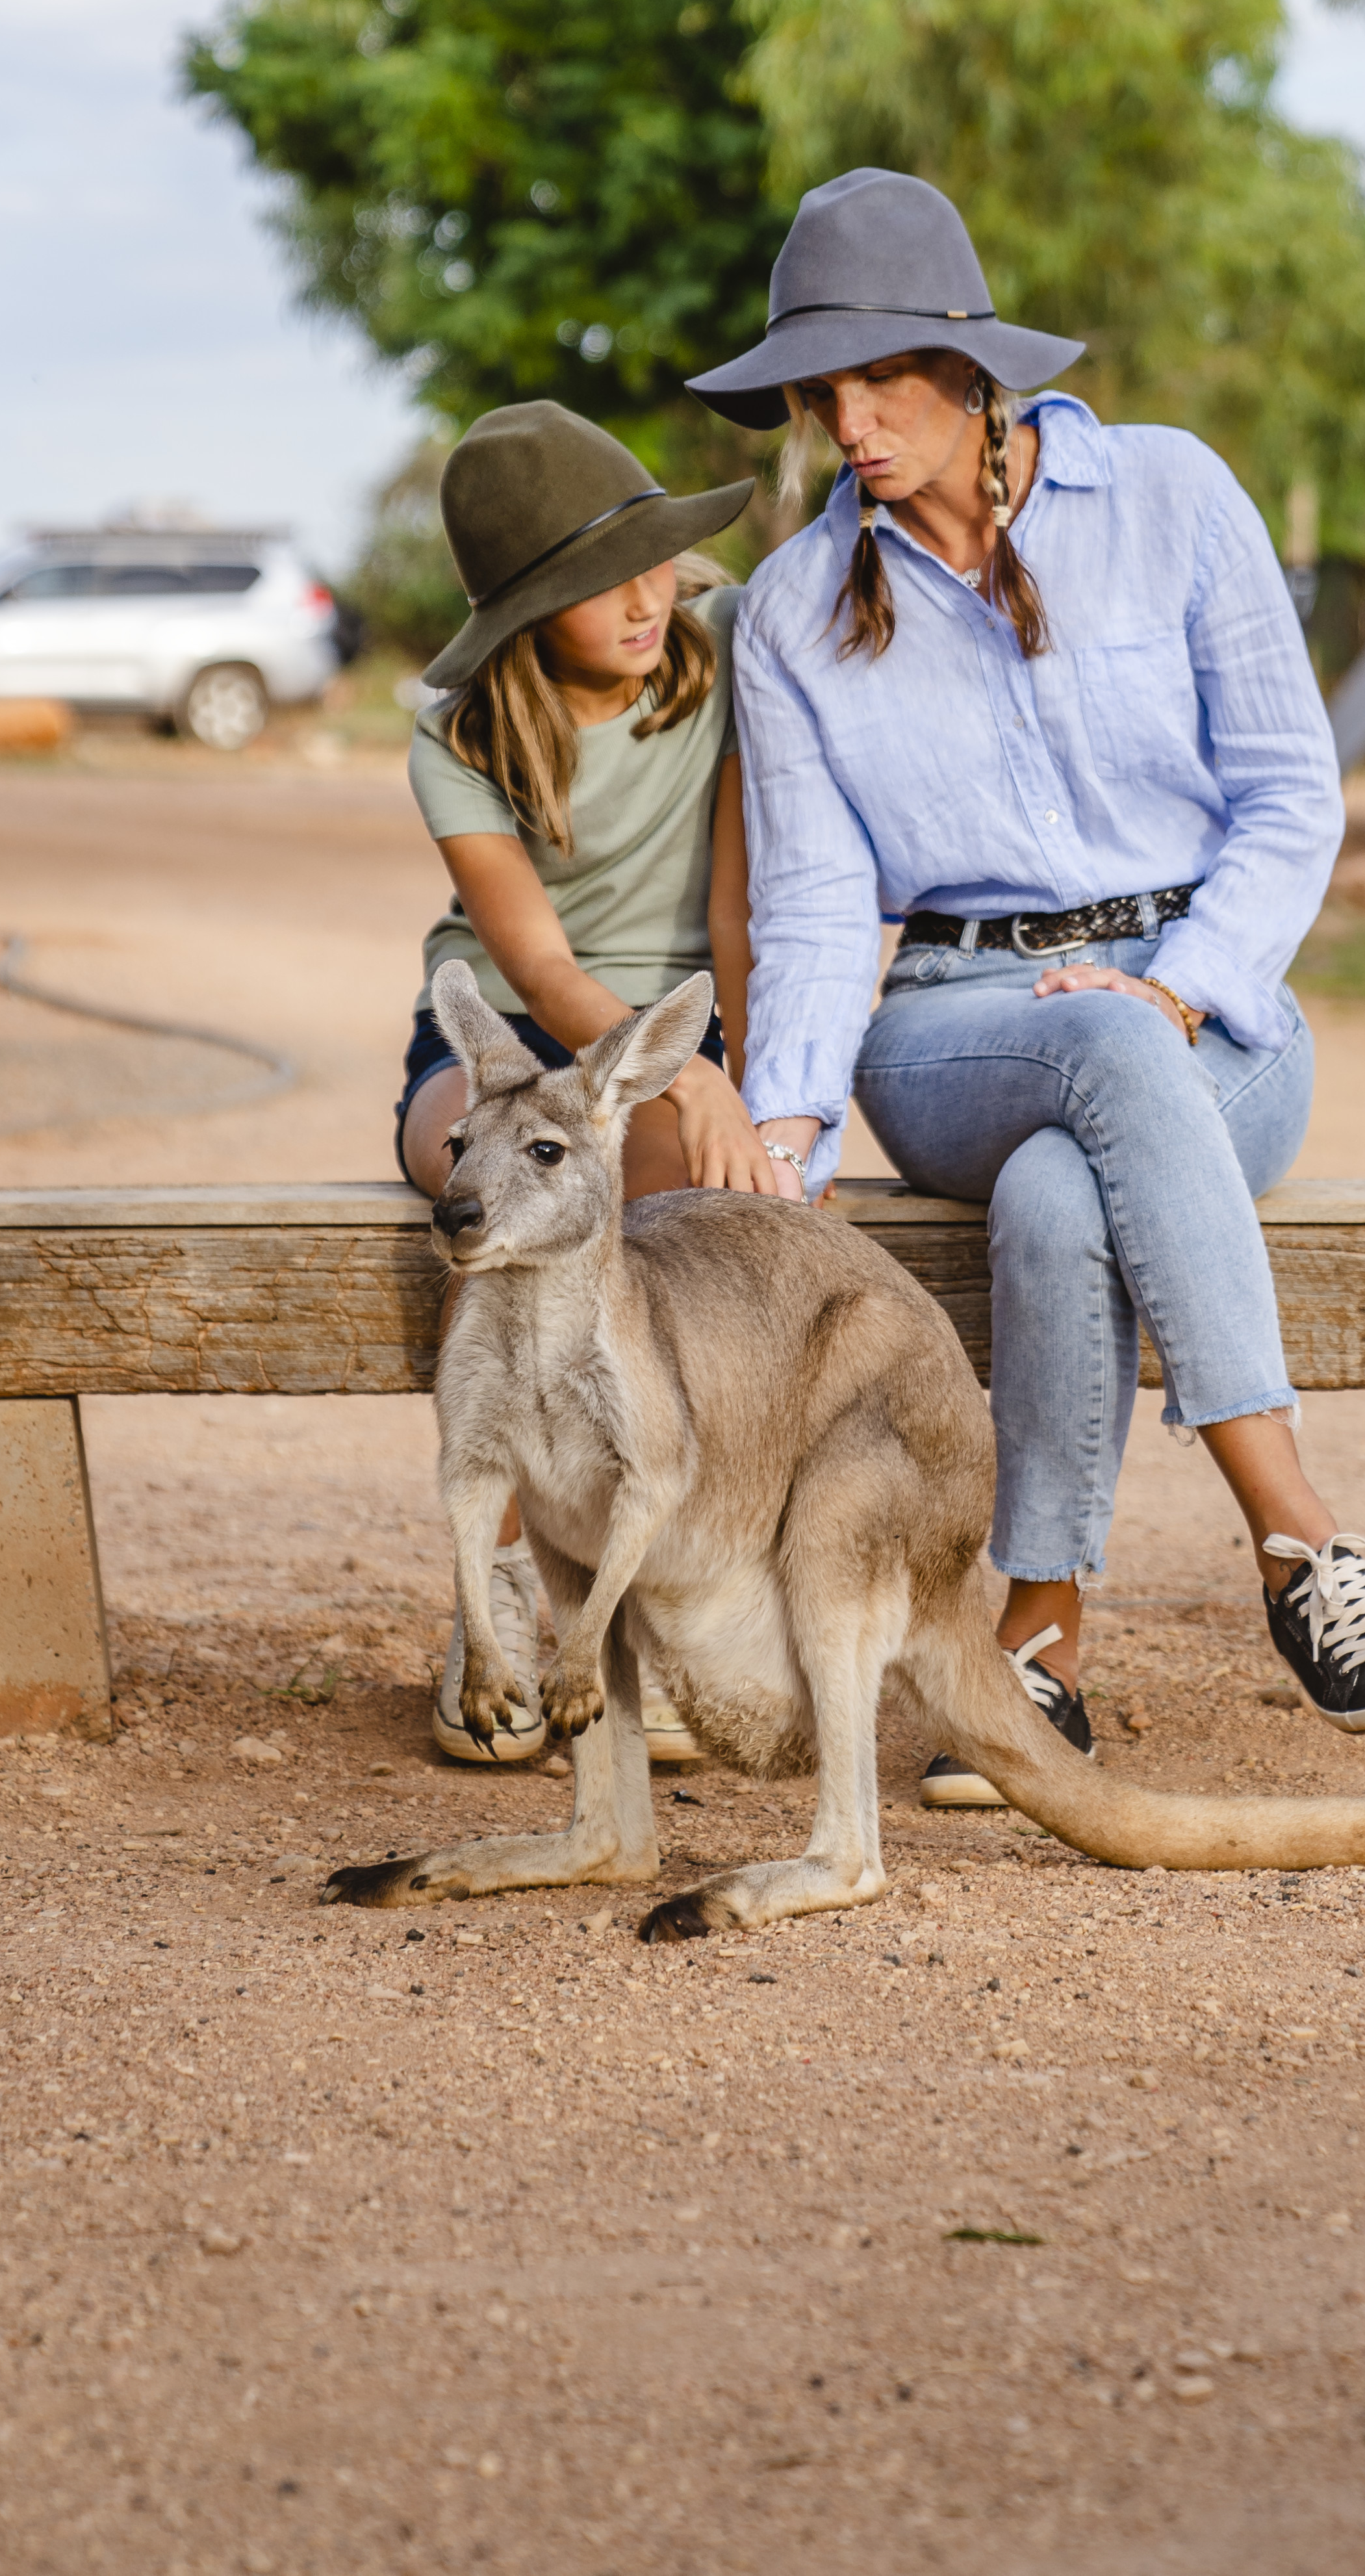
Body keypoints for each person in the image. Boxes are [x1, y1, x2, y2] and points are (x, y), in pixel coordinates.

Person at [692, 170, 1365, 1807]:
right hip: (953, 1027)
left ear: (973, 373)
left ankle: (1029, 1645)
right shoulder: (793, 608)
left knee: (1060, 1196)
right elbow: (821, 906)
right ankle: (1297, 1540)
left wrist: (1180, 987)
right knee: (1078, 1066)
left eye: (879, 380)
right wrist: (787, 1135)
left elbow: (1285, 794)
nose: (849, 423)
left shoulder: (1172, 497)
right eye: (821, 392)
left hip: (1210, 1017)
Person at [394, 399, 780, 1765]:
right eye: (592, 584)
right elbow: (542, 969)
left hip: (671, 1033)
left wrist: (728, 1074)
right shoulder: (454, 739)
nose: (643, 597)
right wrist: (651, 1087)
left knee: (669, 1204)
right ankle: (498, 1590)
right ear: (519, 618)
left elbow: (737, 909)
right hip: (504, 1035)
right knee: (478, 1188)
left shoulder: (724, 650)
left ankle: (660, 1606)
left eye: (656, 558)